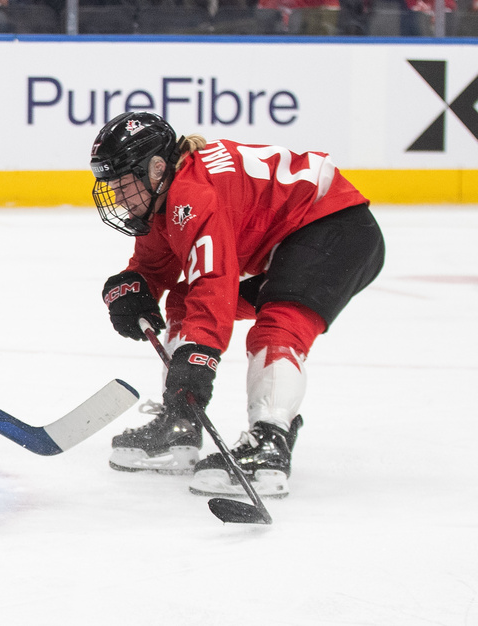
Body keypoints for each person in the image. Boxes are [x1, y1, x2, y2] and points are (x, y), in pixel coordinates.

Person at [92, 112, 384, 498]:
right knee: (184, 302)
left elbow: (215, 284)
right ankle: (181, 422)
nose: (117, 196)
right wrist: (135, 286)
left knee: (279, 324)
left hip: (335, 229)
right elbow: (154, 264)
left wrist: (197, 362)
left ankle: (269, 442)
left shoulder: (194, 194)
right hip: (291, 239)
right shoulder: (164, 199)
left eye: (123, 184)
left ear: (156, 167)